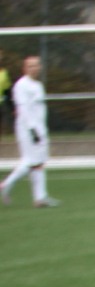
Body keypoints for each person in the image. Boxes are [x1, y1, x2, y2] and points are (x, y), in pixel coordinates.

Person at [1, 56, 59, 208]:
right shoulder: (21, 85)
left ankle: (40, 198)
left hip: (39, 128)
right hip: (28, 129)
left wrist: (40, 128)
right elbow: (23, 109)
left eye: (36, 65)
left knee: (38, 162)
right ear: (25, 68)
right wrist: (32, 129)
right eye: (31, 66)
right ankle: (6, 184)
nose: (34, 68)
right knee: (31, 161)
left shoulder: (38, 85)